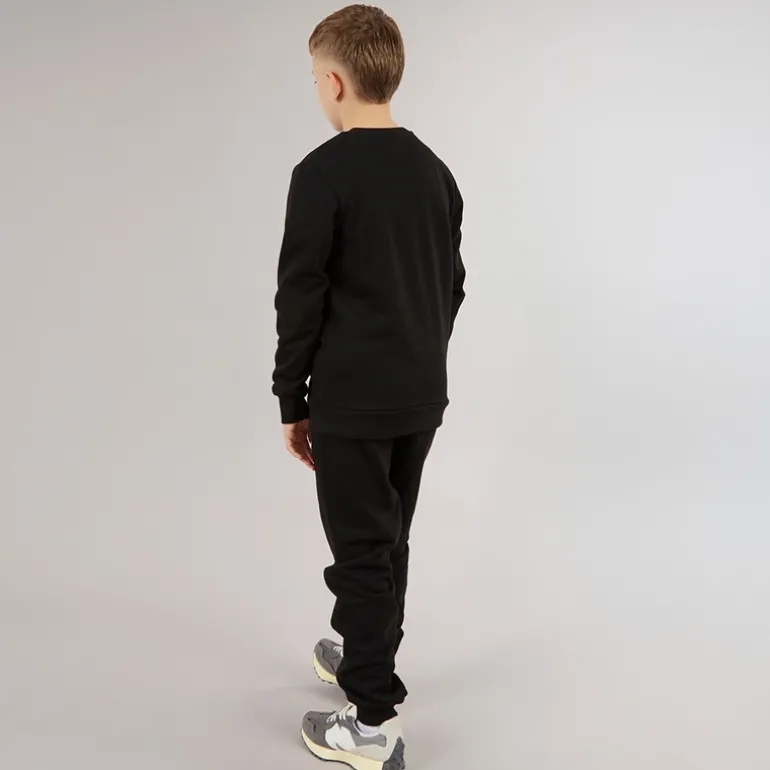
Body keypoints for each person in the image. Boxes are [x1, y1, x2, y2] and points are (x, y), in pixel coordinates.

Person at [271, 5, 466, 768]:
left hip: (351, 399)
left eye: (313, 79)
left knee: (360, 550)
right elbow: (451, 285)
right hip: (420, 394)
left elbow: (300, 297)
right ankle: (365, 653)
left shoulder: (320, 174)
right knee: (388, 539)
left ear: (333, 82)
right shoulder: (435, 172)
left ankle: (372, 722)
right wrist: (419, 359)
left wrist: (292, 400)